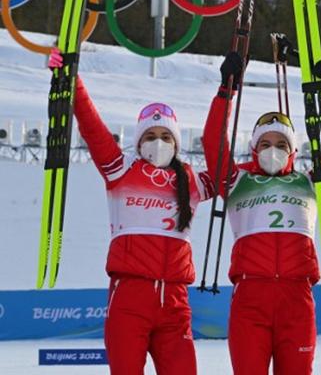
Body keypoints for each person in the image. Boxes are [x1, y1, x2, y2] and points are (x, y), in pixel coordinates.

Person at [47, 49, 213, 375]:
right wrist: (71, 79)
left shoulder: (190, 179)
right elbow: (93, 129)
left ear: (177, 143)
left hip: (175, 302)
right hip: (129, 299)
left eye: (166, 136)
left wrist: (228, 89)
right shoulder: (120, 169)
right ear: (138, 142)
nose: (158, 142)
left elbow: (226, 171)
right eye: (150, 136)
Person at [202, 51, 321, 375]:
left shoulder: (308, 181)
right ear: (254, 149)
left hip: (296, 299)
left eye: (281, 144)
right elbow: (213, 141)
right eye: (266, 143)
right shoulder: (237, 179)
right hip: (250, 299)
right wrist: (225, 93)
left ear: (293, 150)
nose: (274, 150)